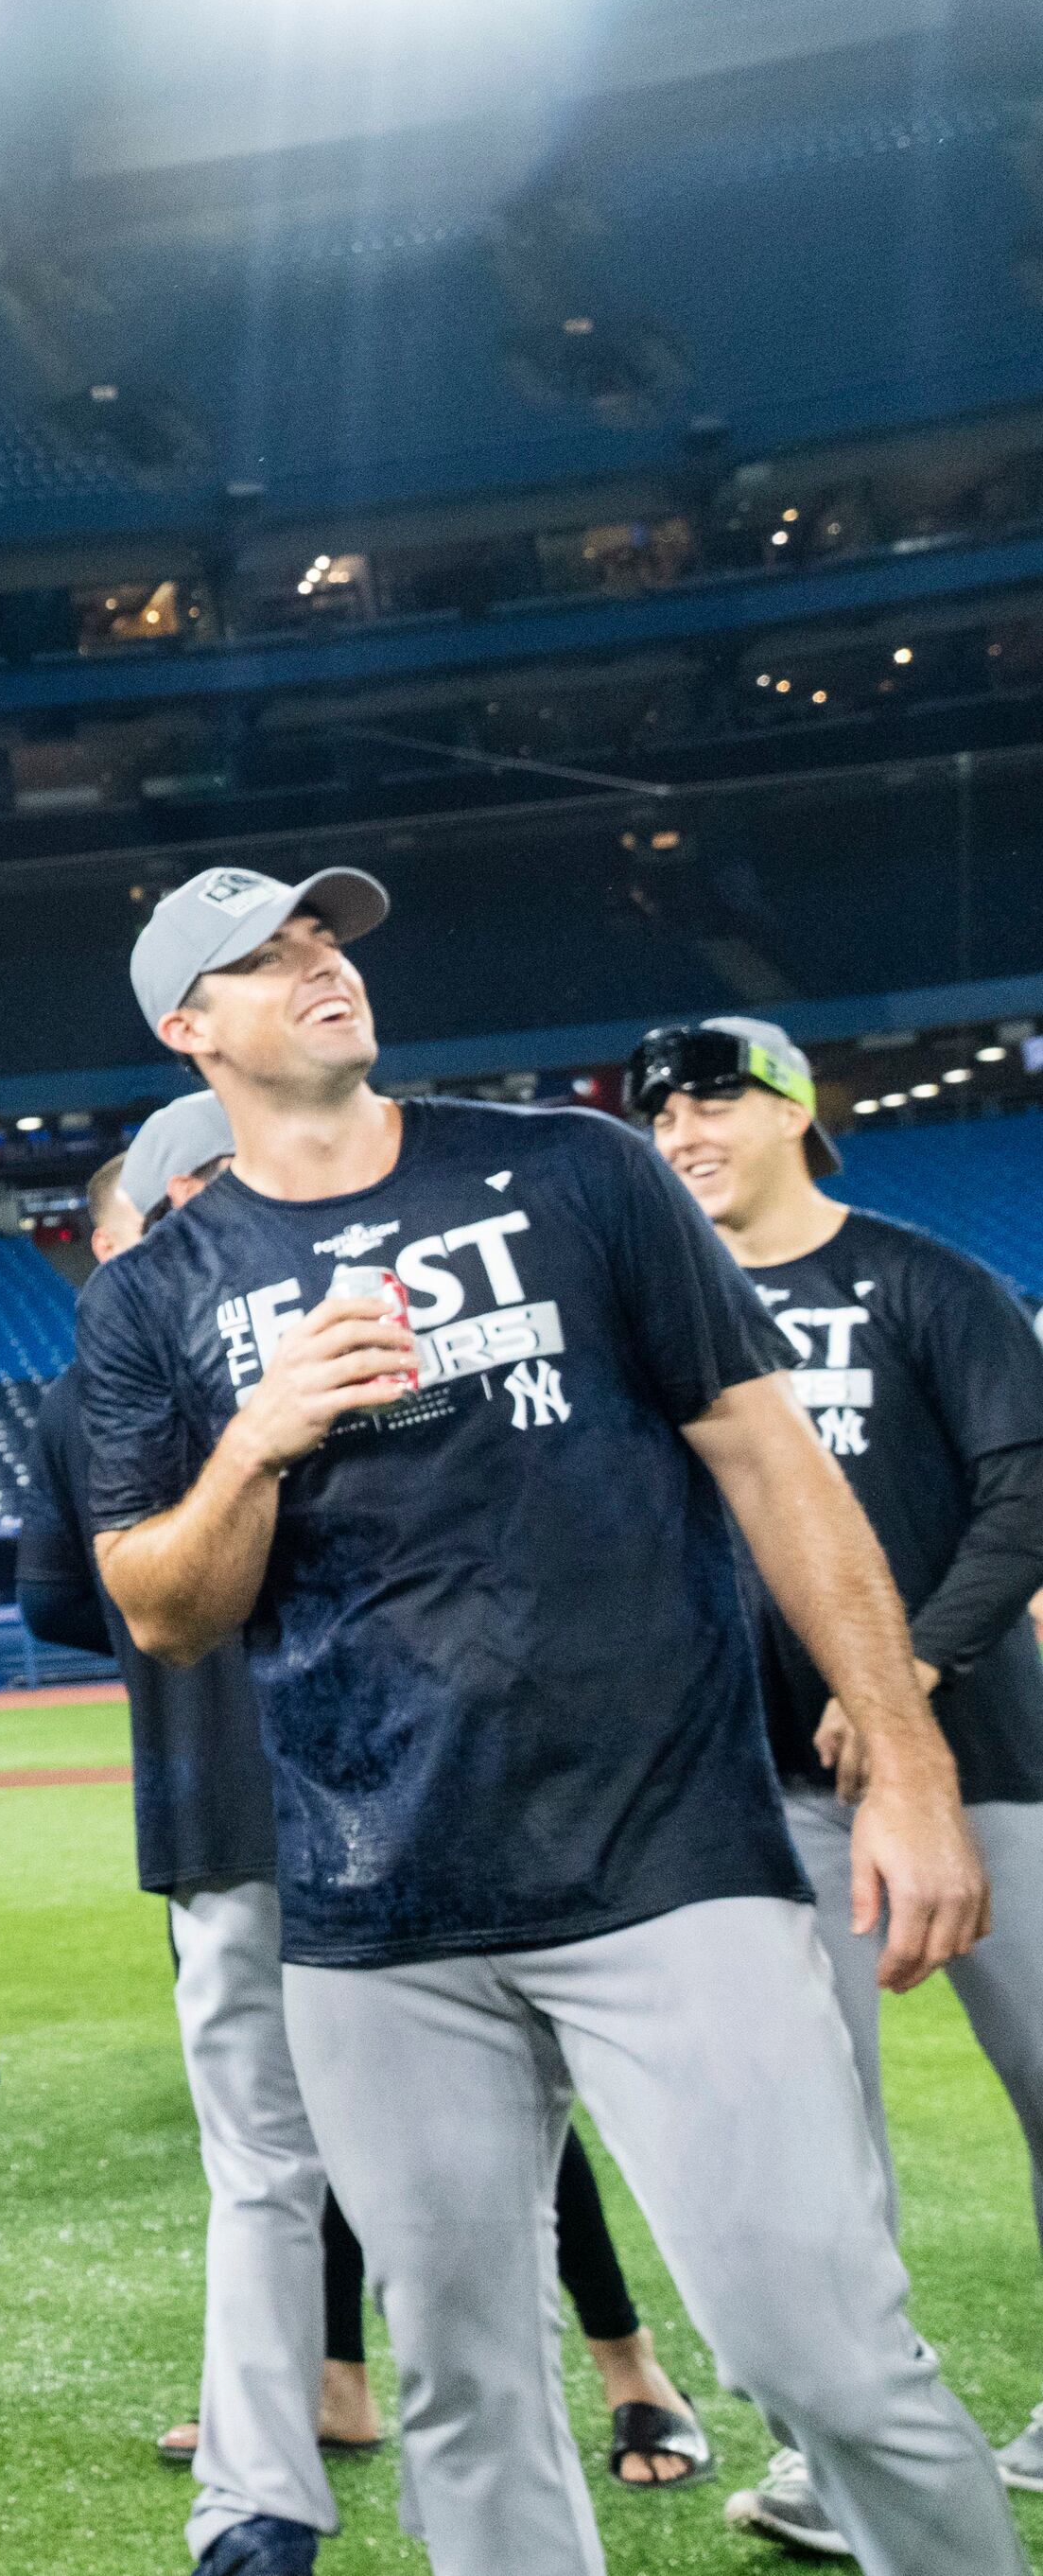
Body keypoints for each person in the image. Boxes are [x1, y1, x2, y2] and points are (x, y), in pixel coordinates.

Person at [80, 867, 1019, 2576]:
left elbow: (768, 1454)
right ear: (186, 1030)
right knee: (461, 2390)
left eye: (327, 942)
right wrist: (259, 1439)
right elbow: (160, 1603)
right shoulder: (158, 1296)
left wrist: (907, 1755)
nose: (319, 969)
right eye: (262, 961)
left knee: (827, 2352)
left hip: (668, 1860)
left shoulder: (574, 1171)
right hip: (375, 1915)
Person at [23, 1102, 713, 2535]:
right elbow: (98, 1593)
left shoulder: (391, 1309)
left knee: (444, 2134)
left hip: (363, 1799)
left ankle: (586, 2370)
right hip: (282, 1805)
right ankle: (304, 2437)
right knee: (314, 2151)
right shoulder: (138, 1356)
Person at [635, 1010, 1043, 2537]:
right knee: (816, 2132)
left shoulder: (931, 1282)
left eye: (713, 1102)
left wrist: (908, 1675)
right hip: (758, 1789)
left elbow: (1027, 1494)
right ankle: (845, 2447)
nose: (683, 1132)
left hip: (976, 1762)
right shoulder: (663, 1316)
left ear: (799, 1113)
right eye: (662, 1116)